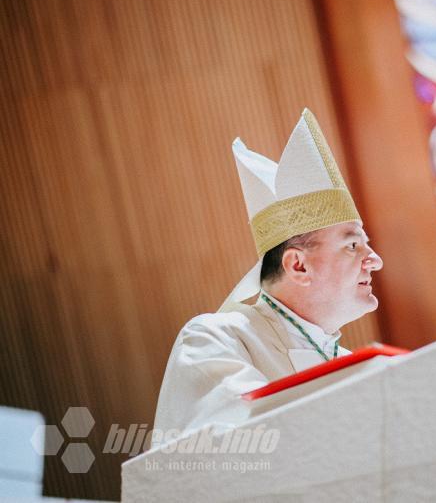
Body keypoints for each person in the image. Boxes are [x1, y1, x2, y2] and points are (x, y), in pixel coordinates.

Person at [152, 109, 382, 439]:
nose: (375, 260)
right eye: (352, 245)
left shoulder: (358, 366)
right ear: (298, 266)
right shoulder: (217, 338)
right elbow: (241, 448)